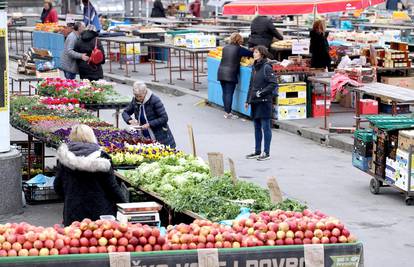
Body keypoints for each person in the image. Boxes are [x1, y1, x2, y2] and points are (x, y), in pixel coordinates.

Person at [54, 124, 128, 226]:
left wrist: (71, 197)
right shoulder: (101, 157)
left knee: (74, 240)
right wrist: (125, 204)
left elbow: (57, 187)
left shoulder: (64, 158)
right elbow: (112, 187)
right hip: (100, 213)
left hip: (73, 213)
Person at [245, 46, 277, 161]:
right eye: (254, 52)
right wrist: (247, 100)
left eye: (256, 52)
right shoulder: (254, 67)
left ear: (262, 54)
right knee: (256, 127)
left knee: (265, 127)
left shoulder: (267, 67)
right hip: (255, 101)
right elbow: (251, 85)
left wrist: (261, 93)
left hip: (264, 102)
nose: (254, 54)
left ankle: (266, 152)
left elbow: (273, 84)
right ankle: (257, 151)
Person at [122, 82, 176, 148]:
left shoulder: (155, 100)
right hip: (144, 135)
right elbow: (125, 112)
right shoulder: (135, 100)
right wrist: (130, 120)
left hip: (160, 135)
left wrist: (149, 124)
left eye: (140, 96)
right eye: (136, 96)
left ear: (145, 92)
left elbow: (164, 118)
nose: (138, 98)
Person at [218, 33, 253, 119]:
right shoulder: (238, 49)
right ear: (239, 40)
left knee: (225, 93)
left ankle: (226, 111)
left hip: (221, 72)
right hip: (230, 74)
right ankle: (228, 113)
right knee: (229, 93)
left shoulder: (225, 48)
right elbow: (251, 54)